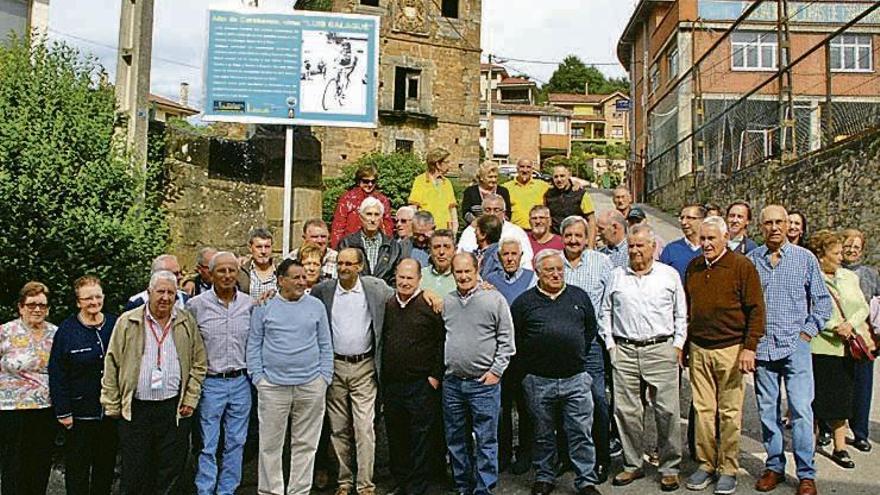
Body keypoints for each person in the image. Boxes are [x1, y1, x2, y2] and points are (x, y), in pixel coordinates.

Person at [746, 205, 831, 495]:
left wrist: (807, 333)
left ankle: (806, 473)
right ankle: (774, 467)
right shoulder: (751, 261)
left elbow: (822, 302)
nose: (774, 227)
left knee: (801, 411)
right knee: (767, 411)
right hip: (763, 348)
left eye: (779, 222)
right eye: (768, 222)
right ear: (760, 226)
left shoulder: (805, 259)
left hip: (795, 346)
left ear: (788, 225)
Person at [101, 270, 207, 495]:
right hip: (136, 409)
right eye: (160, 291)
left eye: (171, 292)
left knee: (170, 470)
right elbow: (112, 362)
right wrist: (111, 403)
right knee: (135, 470)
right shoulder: (128, 322)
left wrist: (190, 398)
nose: (165, 297)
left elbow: (199, 362)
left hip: (173, 409)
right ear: (149, 293)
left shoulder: (185, 321)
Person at [600, 225, 686, 492]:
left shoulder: (668, 275)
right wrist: (611, 346)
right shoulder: (616, 275)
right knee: (626, 412)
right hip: (624, 350)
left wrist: (677, 345)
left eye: (641, 245)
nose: (635, 250)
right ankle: (632, 464)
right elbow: (606, 311)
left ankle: (670, 467)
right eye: (631, 246)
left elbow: (681, 314)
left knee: (668, 411)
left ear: (653, 247)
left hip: (660, 349)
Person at [683, 217, 765, 495]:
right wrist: (685, 347)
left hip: (731, 349)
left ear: (725, 237)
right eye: (702, 239)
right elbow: (688, 309)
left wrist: (749, 347)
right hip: (699, 349)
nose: (705, 244)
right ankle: (706, 464)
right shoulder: (693, 268)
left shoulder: (742, 266)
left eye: (711, 239)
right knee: (703, 412)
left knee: (729, 413)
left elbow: (756, 309)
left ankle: (728, 467)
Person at [513, 250, 602, 495]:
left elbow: (589, 331)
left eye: (559, 269)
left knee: (581, 432)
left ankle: (586, 480)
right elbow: (516, 338)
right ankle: (544, 476)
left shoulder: (579, 296)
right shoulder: (524, 302)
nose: (556, 274)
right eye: (549, 270)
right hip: (539, 380)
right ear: (538, 273)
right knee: (542, 433)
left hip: (575, 377)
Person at [309, 248, 395, 495]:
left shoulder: (375, 289)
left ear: (360, 266)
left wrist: (431, 295)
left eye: (349, 263)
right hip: (334, 367)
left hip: (364, 368)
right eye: (340, 263)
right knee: (338, 429)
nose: (343, 268)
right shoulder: (324, 291)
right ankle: (345, 481)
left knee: (364, 427)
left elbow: (404, 293)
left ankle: (365, 484)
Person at [248, 258, 333, 495]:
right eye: (295, 277)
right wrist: (259, 379)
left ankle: (299, 491)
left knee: (306, 444)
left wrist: (323, 378)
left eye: (304, 277)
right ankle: (270, 491)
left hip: (310, 385)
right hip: (273, 386)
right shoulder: (264, 307)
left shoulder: (315, 306)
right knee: (270, 445)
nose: (302, 281)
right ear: (281, 280)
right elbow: (254, 344)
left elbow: (325, 343)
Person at [442, 252, 516, 495]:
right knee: (456, 440)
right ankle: (463, 485)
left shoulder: (494, 299)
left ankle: (484, 488)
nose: (463, 276)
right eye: (458, 272)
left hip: (483, 384)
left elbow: (507, 341)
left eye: (467, 271)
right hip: (453, 383)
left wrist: (495, 372)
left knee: (486, 440)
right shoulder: (448, 301)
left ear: (477, 272)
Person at [186, 252, 253, 495]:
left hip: (240, 381)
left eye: (231, 271)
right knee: (208, 443)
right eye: (221, 271)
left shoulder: (248, 304)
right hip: (210, 383)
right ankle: (205, 489)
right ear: (210, 274)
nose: (227, 276)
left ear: (238, 274)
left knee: (236, 442)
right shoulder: (196, 306)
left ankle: (227, 489)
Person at [807, 230, 873, 470]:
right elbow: (809, 311)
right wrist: (834, 327)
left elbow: (862, 307)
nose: (840, 257)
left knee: (841, 400)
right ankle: (810, 445)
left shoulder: (848, 277)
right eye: (835, 253)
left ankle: (840, 446)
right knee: (814, 399)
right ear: (820, 256)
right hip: (819, 346)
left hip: (845, 348)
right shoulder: (811, 278)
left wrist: (850, 325)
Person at [49, 276, 119, 495]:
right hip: (79, 414)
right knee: (78, 468)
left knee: (105, 466)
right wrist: (63, 411)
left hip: (110, 412)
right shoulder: (67, 331)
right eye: (88, 298)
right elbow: (57, 372)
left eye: (98, 296)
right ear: (78, 302)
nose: (94, 302)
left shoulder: (115, 324)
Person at [381, 259, 445, 495]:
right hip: (393, 384)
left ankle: (417, 487)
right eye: (401, 277)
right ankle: (402, 481)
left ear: (419, 279)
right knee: (397, 436)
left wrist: (435, 375)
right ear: (395, 277)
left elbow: (441, 342)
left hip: (421, 384)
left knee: (420, 437)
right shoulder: (388, 305)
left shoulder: (430, 306)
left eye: (410, 278)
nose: (405, 282)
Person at [561, 215, 615, 483]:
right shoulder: (553, 262)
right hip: (560, 346)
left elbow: (610, 300)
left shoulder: (601, 262)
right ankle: (566, 457)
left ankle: (601, 459)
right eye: (568, 235)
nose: (573, 240)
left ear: (587, 238)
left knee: (597, 400)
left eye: (578, 235)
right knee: (560, 402)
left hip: (591, 343)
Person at [484, 238, 536, 474]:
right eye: (505, 254)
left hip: (524, 352)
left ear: (521, 255)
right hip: (498, 353)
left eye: (514, 254)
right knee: (501, 406)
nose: (510, 258)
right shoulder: (490, 281)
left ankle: (525, 452)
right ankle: (503, 453)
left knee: (526, 405)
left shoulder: (531, 279)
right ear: (499, 257)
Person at [0, 281, 58, 495]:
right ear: (21, 307)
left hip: (45, 409)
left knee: (40, 464)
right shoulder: (6, 332)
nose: (37, 309)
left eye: (42, 305)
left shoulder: (55, 334)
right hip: (11, 410)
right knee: (14, 466)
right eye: (32, 304)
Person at [841, 228, 880, 452]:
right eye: (848, 246)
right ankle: (829, 428)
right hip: (838, 335)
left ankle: (860, 432)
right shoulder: (833, 270)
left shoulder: (870, 274)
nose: (852, 251)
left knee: (863, 387)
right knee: (835, 385)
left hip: (864, 337)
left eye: (856, 247)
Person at [338, 196, 404, 286]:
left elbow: (396, 277)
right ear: (361, 217)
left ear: (381, 218)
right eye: (369, 214)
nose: (372, 219)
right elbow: (342, 273)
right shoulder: (347, 243)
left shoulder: (393, 247)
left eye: (376, 215)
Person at [457, 194, 534, 270]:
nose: (492, 214)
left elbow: (526, 263)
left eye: (496, 210)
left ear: (504, 213)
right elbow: (461, 256)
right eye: (488, 210)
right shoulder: (471, 231)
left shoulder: (516, 232)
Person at [330, 163, 394, 249]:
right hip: (351, 244)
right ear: (359, 181)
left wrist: (388, 247)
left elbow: (387, 226)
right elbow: (338, 226)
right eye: (366, 181)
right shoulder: (347, 199)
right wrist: (337, 249)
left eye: (373, 181)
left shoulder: (382, 200)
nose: (370, 184)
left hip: (375, 244)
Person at [409, 147, 459, 233]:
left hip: (445, 231)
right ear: (437, 164)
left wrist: (454, 230)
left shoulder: (447, 183)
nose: (449, 165)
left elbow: (452, 210)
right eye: (446, 162)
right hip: (426, 230)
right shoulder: (420, 181)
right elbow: (413, 208)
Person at [545, 164, 596, 243]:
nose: (559, 180)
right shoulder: (549, 194)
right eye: (556, 177)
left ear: (569, 175)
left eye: (562, 176)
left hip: (576, 240)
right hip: (556, 240)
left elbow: (591, 220)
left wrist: (590, 245)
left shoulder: (580, 194)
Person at [660, 204, 706, 281]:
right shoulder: (671, 250)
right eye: (682, 218)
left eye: (689, 218)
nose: (684, 222)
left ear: (702, 220)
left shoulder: (711, 248)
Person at [503, 158, 550, 230]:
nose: (525, 170)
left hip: (537, 231)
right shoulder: (506, 188)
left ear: (532, 169)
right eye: (522, 167)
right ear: (517, 169)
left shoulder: (543, 186)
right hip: (515, 231)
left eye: (528, 167)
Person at [461, 160, 512, 224]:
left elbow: (508, 213)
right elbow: (466, 213)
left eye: (495, 177)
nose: (493, 180)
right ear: (482, 177)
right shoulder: (470, 192)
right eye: (490, 177)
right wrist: (477, 223)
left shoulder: (503, 191)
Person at [236, 227, 278, 301]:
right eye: (259, 247)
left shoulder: (281, 271)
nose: (263, 251)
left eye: (267, 247)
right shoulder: (241, 273)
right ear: (250, 248)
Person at [421, 230, 457, 295]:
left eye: (447, 247)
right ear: (430, 251)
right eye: (436, 247)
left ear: (455, 250)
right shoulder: (421, 275)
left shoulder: (462, 276)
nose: (441, 252)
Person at [474, 214, 504, 281]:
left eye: (476, 230)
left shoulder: (497, 255)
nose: (474, 232)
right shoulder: (475, 254)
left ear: (483, 235)